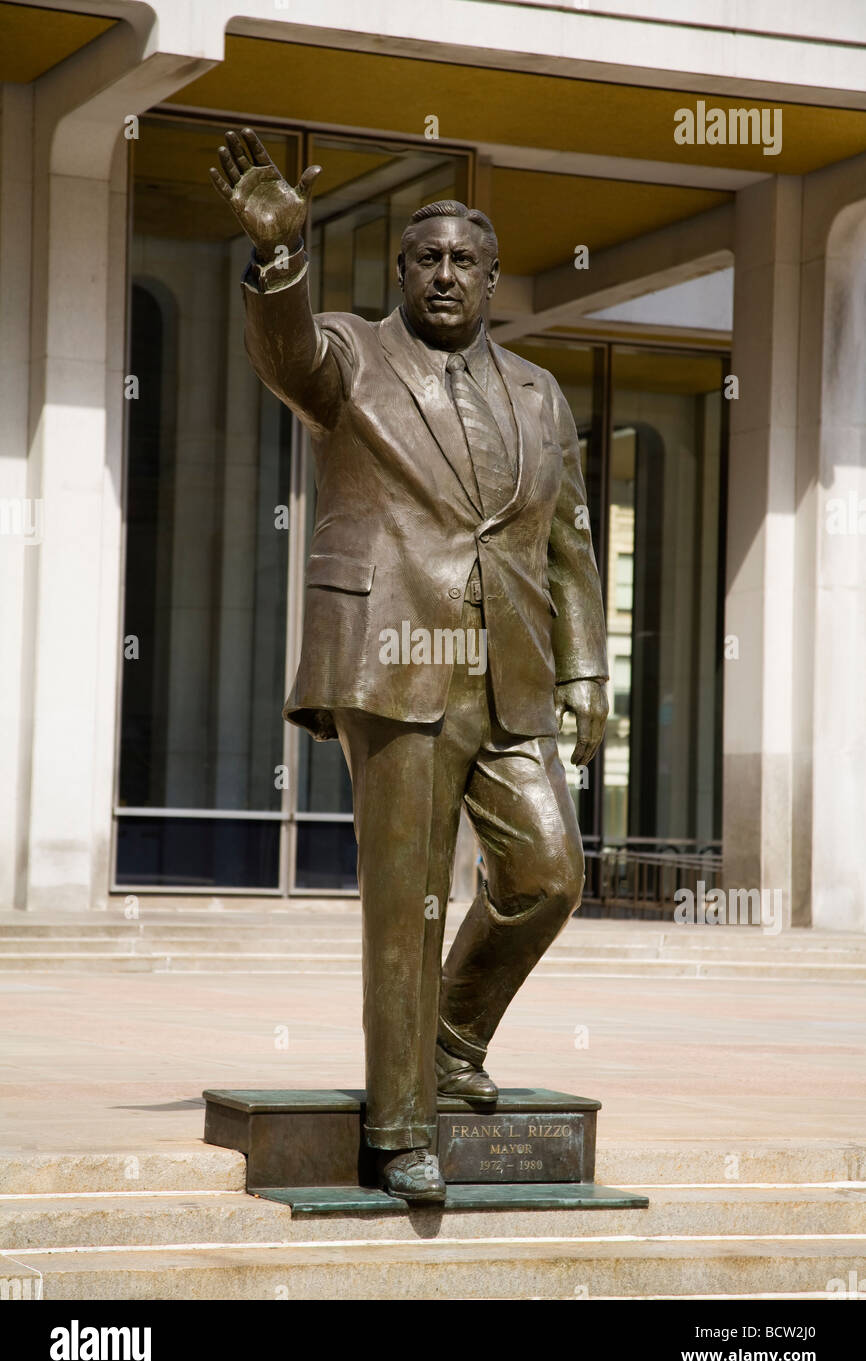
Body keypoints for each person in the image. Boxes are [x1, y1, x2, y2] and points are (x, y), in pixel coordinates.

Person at [211, 128, 609, 1203]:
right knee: (409, 900)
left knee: (547, 875)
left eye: (463, 261)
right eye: (424, 258)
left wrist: (585, 677)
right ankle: (399, 1131)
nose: (443, 274)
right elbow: (284, 353)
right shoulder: (348, 355)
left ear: (489, 277)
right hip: (392, 656)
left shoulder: (534, 394)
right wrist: (281, 257)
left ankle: (444, 1040)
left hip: (508, 667)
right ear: (401, 272)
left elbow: (567, 540)